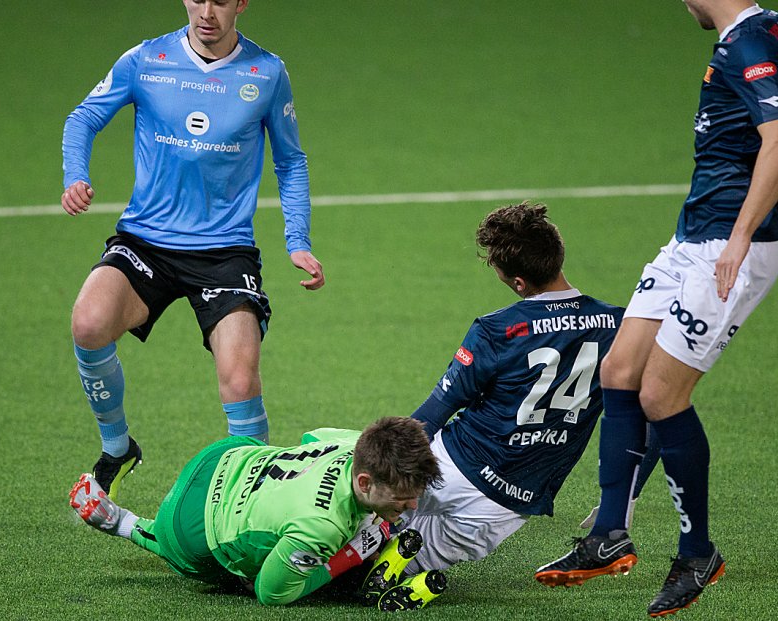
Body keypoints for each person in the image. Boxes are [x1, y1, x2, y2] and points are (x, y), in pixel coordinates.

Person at [534, 2, 778, 617]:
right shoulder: (768, 27)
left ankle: (697, 553)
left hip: (725, 250)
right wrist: (765, 197)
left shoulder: (749, 44)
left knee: (661, 397)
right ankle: (607, 535)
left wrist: (747, 228)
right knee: (619, 372)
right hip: (692, 238)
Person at [60, 0, 325, 501]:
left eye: (221, 0)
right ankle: (117, 448)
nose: (207, 11)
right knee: (88, 323)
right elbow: (84, 117)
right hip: (146, 242)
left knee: (240, 381)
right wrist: (77, 174)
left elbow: (291, 162)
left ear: (241, 3)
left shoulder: (266, 73)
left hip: (225, 252)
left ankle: (248, 502)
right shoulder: (146, 60)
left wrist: (298, 241)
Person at [325, 202, 623, 581]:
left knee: (344, 530)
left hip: (446, 463)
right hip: (500, 506)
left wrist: (374, 460)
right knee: (371, 574)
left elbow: (433, 414)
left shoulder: (496, 330)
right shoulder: (620, 326)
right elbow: (650, 420)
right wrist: (620, 503)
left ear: (518, 283)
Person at [68, 417, 444, 608]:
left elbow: (313, 437)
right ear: (364, 482)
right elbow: (271, 594)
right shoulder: (322, 525)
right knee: (223, 570)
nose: (411, 507)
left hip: (223, 455)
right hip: (189, 524)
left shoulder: (357, 443)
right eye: (402, 498)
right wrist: (351, 554)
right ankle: (123, 522)